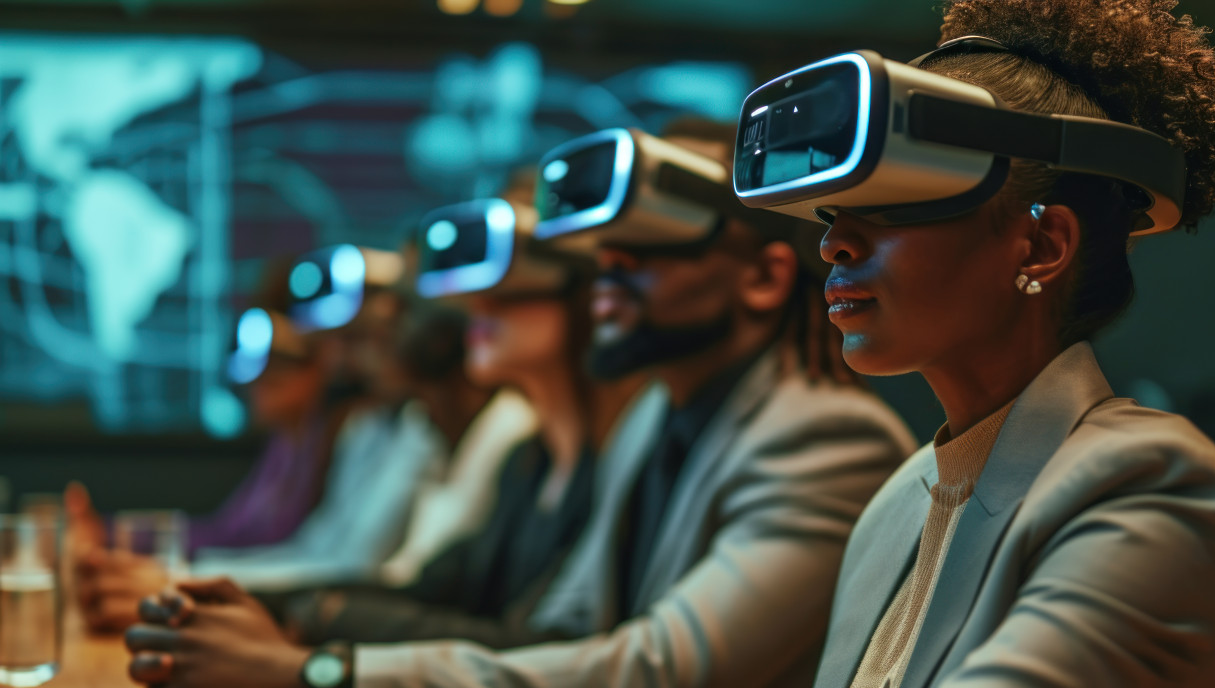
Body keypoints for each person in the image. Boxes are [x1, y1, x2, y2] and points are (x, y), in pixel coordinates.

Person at [121, 127, 916, 688]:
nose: (602, 277)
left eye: (643, 252)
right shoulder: (652, 421)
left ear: (764, 278)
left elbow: (660, 669)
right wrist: (282, 620)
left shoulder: (823, 436)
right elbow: (565, 632)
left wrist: (316, 667)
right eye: (596, 258)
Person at [730, 1, 1215, 686]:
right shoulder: (895, 504)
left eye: (894, 205)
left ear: (1043, 245)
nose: (834, 242)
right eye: (834, 214)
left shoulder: (1147, 482)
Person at [280, 198, 644, 646]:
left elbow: (544, 643)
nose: (477, 303)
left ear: (581, 291)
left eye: (515, 285)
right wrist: (287, 607)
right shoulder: (527, 462)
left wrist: (327, 630)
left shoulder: (616, 462)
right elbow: (438, 587)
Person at [189, 296, 491, 592]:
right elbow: (317, 546)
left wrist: (205, 573)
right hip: (339, 586)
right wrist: (202, 570)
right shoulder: (365, 428)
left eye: (381, 340)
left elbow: (358, 563)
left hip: (364, 594)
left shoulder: (417, 427)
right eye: (359, 343)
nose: (362, 358)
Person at [70, 308, 342, 632]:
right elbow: (228, 530)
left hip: (264, 609)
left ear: (316, 371)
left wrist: (176, 577)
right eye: (257, 371)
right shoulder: (284, 445)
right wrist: (109, 532)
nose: (257, 383)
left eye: (277, 372)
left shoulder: (328, 444)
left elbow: (267, 542)